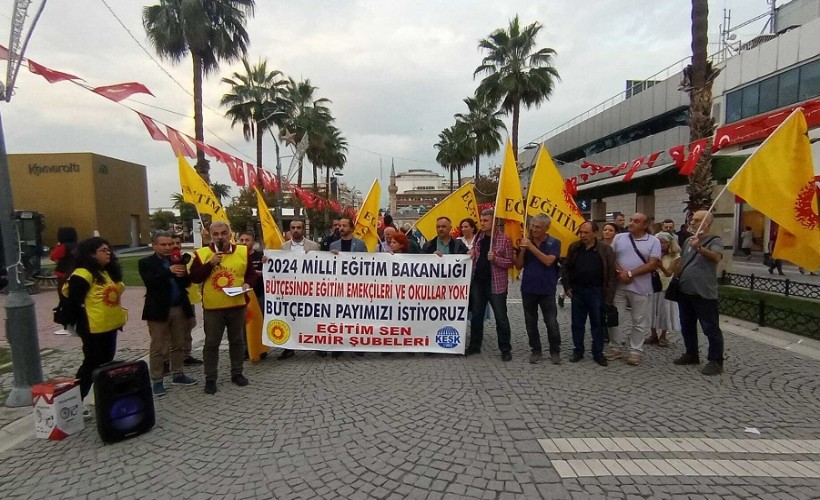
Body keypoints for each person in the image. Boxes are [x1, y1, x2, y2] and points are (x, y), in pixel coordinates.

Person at [190, 221, 257, 394]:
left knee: (237, 341)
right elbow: (195, 277)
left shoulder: (242, 251)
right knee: (211, 344)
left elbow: (250, 273)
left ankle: (237, 373)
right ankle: (210, 378)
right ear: (211, 235)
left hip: (237, 304)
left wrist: (247, 284)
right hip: (214, 307)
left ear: (230, 234)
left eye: (223, 233)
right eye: (216, 234)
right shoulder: (202, 254)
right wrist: (210, 264)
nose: (220, 237)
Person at [63, 237, 127, 415]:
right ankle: (76, 402)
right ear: (91, 254)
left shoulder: (106, 272)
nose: (109, 253)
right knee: (91, 364)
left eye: (109, 250)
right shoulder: (83, 274)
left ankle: (101, 397)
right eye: (103, 250)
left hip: (109, 326)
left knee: (106, 361)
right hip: (92, 327)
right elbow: (73, 302)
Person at [139, 231, 198, 396]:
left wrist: (183, 274)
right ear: (154, 245)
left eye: (170, 244)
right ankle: (157, 379)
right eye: (163, 245)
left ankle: (178, 373)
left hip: (179, 307)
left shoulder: (176, 259)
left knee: (178, 343)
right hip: (159, 310)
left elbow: (186, 283)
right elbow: (151, 282)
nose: (167, 248)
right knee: (158, 346)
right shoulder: (146, 262)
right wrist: (169, 271)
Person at [673, 210, 725, 376]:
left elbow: (717, 257)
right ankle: (691, 353)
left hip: (703, 292)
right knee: (686, 324)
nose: (692, 222)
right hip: (686, 290)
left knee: (710, 327)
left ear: (706, 223)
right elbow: (683, 260)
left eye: (697, 220)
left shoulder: (714, 240)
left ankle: (716, 360)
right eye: (693, 219)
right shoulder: (688, 240)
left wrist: (700, 248)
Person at [606, 213, 661, 366]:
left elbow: (652, 264)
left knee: (639, 320)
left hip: (641, 287)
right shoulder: (619, 238)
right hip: (619, 285)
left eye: (636, 221)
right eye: (631, 220)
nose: (631, 223)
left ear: (645, 225)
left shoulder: (653, 241)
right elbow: (612, 257)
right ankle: (615, 346)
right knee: (615, 318)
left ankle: (635, 350)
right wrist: (621, 272)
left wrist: (631, 273)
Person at [562, 222, 616, 366]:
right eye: (581, 232)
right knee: (577, 324)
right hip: (578, 291)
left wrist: (608, 298)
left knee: (597, 324)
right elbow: (566, 268)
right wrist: (567, 286)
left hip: (596, 292)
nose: (583, 235)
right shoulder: (574, 247)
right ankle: (578, 350)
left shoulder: (606, 250)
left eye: (586, 233)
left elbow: (611, 275)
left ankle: (598, 353)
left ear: (595, 233)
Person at [466, 209, 514, 360]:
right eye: (481, 220)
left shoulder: (504, 239)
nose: (482, 223)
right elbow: (475, 255)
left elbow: (510, 262)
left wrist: (495, 259)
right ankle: (474, 345)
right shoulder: (478, 237)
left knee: (501, 317)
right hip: (478, 283)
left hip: (496, 284)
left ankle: (505, 349)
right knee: (477, 316)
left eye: (486, 220)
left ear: (494, 222)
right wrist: (472, 255)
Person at [514, 214, 562, 364]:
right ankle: (536, 350)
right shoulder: (526, 241)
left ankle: (555, 350)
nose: (534, 229)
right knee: (530, 322)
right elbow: (518, 266)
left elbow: (548, 261)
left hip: (547, 289)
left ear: (546, 228)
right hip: (528, 288)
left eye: (538, 227)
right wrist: (522, 250)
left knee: (551, 322)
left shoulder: (554, 243)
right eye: (532, 226)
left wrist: (531, 247)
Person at [277, 221, 320, 359]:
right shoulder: (283, 247)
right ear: (289, 230)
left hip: (309, 289)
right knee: (290, 318)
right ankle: (289, 347)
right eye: (293, 228)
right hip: (290, 290)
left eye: (299, 228)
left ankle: (316, 345)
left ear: (303, 229)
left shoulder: (314, 246)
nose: (296, 230)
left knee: (312, 317)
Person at [329, 217, 367, 358]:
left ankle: (357, 344)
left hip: (355, 287)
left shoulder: (360, 244)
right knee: (339, 316)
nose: (341, 228)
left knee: (355, 316)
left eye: (344, 225)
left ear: (352, 228)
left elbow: (368, 264)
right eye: (339, 225)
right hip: (338, 287)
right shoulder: (334, 245)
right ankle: (338, 345)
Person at [170, 233, 203, 367]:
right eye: (172, 243)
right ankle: (168, 359)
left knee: (189, 326)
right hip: (174, 301)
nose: (175, 246)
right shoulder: (167, 260)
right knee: (173, 331)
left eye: (178, 243)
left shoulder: (188, 257)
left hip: (189, 298)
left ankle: (186, 355)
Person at [646, 232, 680, 348]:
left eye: (663, 242)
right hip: (653, 285)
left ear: (670, 243)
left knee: (665, 311)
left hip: (666, 286)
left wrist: (659, 265)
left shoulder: (675, 256)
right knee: (651, 310)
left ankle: (663, 335)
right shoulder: (653, 254)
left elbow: (669, 273)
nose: (661, 245)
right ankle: (653, 334)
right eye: (658, 242)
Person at [50, 227, 78, 335]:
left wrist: (58, 246)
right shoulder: (78, 246)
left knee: (63, 300)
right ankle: (75, 324)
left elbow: (53, 256)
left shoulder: (63, 247)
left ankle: (68, 326)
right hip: (75, 274)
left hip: (63, 276)